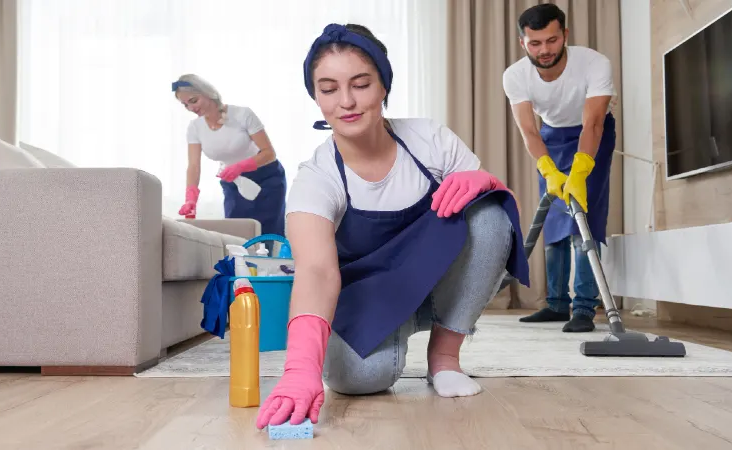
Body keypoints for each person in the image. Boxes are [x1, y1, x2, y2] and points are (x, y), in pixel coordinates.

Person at [253, 23, 530, 430]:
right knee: (360, 379)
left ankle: (445, 358)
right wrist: (299, 369)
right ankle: (387, 340)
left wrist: (491, 183)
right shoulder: (317, 177)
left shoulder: (429, 139)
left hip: (432, 280)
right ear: (316, 97)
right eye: (328, 89)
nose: (346, 102)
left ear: (384, 85)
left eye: (361, 84)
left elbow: (503, 225)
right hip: (367, 294)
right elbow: (315, 270)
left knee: (489, 214)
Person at [502, 4, 617, 332]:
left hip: (592, 133)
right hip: (550, 136)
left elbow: (593, 123)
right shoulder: (515, 75)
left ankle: (583, 308)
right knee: (553, 218)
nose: (545, 50)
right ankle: (555, 304)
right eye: (535, 43)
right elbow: (529, 131)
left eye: (552, 40)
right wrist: (549, 170)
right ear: (522, 42)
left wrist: (580, 170)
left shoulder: (594, 64)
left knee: (584, 215)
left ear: (564, 35)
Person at [172, 74, 287, 240]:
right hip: (234, 182)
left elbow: (269, 153)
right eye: (185, 105)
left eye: (193, 100)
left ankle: (272, 267)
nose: (191, 108)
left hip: (267, 179)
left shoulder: (242, 114)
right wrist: (191, 199)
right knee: (236, 235)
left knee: (268, 235)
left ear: (207, 93)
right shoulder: (195, 128)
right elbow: (194, 166)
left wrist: (240, 166)